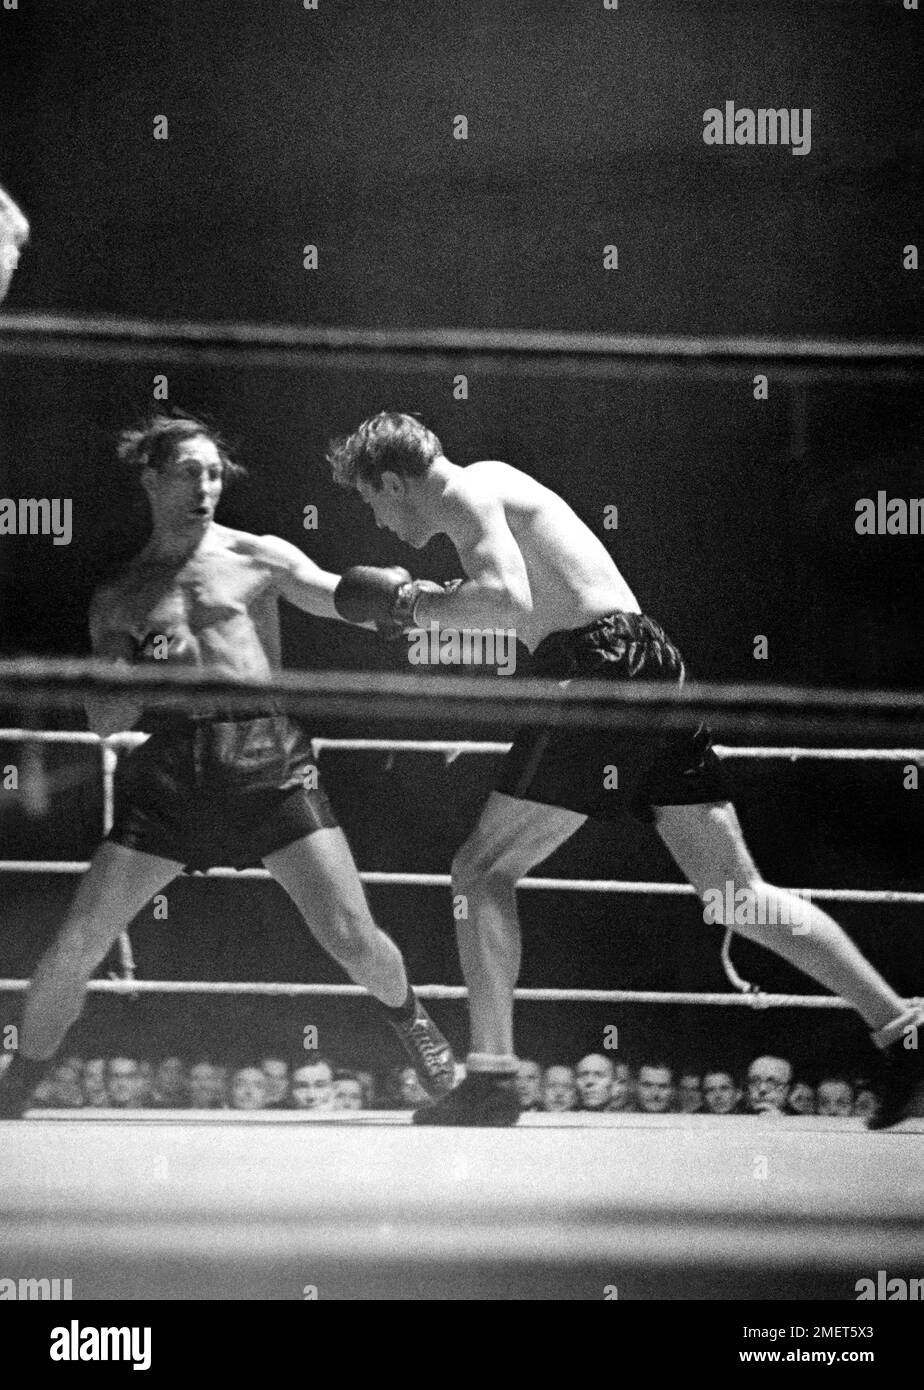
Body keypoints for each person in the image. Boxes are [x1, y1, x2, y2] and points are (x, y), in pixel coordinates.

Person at [327, 411, 923, 1129]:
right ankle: (903, 1031)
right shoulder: (494, 488)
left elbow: (507, 603)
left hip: (600, 670)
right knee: (737, 895)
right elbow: (512, 612)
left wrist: (407, 603)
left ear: (393, 481)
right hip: (648, 662)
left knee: (479, 872)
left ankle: (490, 1077)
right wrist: (423, 610)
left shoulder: (467, 492)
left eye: (374, 503)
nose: (381, 524)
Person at [0, 412, 454, 1117]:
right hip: (175, 767)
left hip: (266, 758)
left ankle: (426, 1045)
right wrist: (139, 663)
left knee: (351, 937)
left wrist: (399, 600)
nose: (206, 486)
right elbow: (105, 722)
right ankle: (18, 1085)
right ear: (152, 478)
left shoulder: (257, 555)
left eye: (214, 472)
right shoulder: (121, 594)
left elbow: (335, 597)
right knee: (77, 940)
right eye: (190, 472)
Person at [0, 182, 29, 304]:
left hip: (9, 246)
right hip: (10, 245)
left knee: (5, 277)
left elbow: (22, 229)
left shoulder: (11, 217)